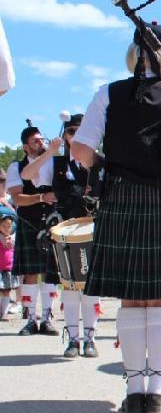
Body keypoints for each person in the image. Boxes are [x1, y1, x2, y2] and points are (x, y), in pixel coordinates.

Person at [72, 21, 161, 413]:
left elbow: (80, 150)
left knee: (132, 297)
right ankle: (157, 388)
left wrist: (115, 164)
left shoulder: (107, 93)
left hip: (124, 197)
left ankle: (133, 388)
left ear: (134, 55)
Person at [21, 114, 103, 358]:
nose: (76, 136)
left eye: (81, 131)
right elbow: (27, 175)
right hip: (63, 232)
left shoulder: (101, 163)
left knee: (91, 288)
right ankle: (73, 340)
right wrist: (50, 152)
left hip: (93, 230)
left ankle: (90, 338)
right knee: (68, 287)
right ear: (65, 136)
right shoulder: (55, 164)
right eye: (71, 132)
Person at [6, 125, 60, 336]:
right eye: (35, 141)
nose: (41, 142)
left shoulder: (55, 163)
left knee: (51, 273)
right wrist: (40, 197)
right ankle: (30, 320)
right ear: (25, 146)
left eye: (42, 139)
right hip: (30, 224)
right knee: (30, 274)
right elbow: (17, 198)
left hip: (53, 224)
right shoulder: (15, 167)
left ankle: (46, 319)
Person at [0, 215, 16, 318]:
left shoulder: (13, 238)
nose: (6, 228)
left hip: (8, 268)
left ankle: (3, 313)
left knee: (7, 291)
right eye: (3, 226)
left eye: (9, 226)